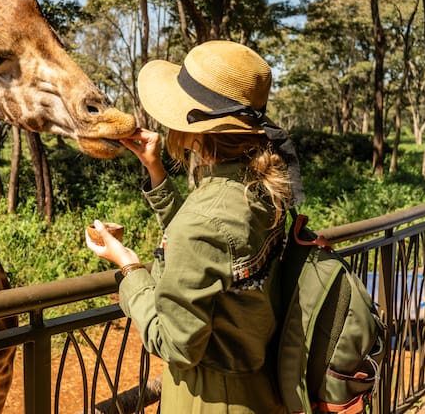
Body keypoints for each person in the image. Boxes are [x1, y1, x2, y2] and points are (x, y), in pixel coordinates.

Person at [86, 40, 304, 413]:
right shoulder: (264, 186)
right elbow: (209, 253)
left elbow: (173, 343)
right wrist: (155, 170)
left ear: (198, 129)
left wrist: (130, 268)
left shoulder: (206, 216)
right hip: (261, 385)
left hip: (209, 398)